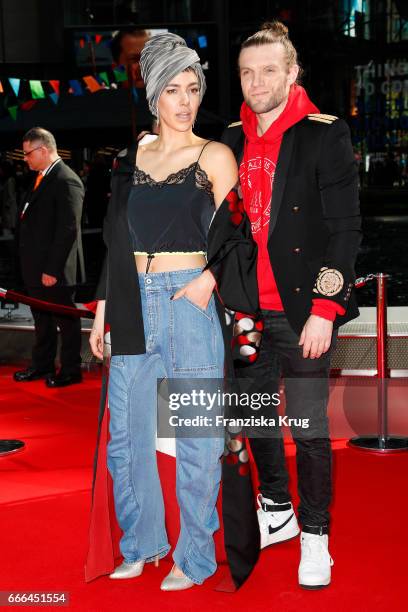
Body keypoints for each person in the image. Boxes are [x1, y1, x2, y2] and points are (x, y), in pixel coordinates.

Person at [89, 32, 259, 591]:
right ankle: (140, 543)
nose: (185, 101)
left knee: (198, 436)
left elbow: (241, 234)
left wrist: (208, 281)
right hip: (133, 300)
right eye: (173, 90)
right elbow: (115, 242)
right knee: (126, 436)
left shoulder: (215, 155)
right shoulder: (127, 159)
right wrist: (102, 313)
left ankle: (194, 556)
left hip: (190, 300)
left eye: (193, 89)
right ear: (154, 95)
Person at [222, 22, 361, 589]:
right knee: (252, 417)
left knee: (307, 429)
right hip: (248, 312)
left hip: (305, 312)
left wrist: (326, 311)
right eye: (247, 72)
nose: (257, 82)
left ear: (292, 73)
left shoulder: (324, 134)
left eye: (269, 70)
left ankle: (316, 536)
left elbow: (346, 230)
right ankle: (275, 509)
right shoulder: (229, 138)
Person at [13, 127, 85, 387]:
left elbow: (68, 230)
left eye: (28, 153)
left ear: (43, 150)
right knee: (41, 320)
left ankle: (70, 370)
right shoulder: (41, 177)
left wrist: (52, 270)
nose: (25, 158)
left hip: (55, 270)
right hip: (36, 266)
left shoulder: (66, 180)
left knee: (66, 321)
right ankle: (42, 365)